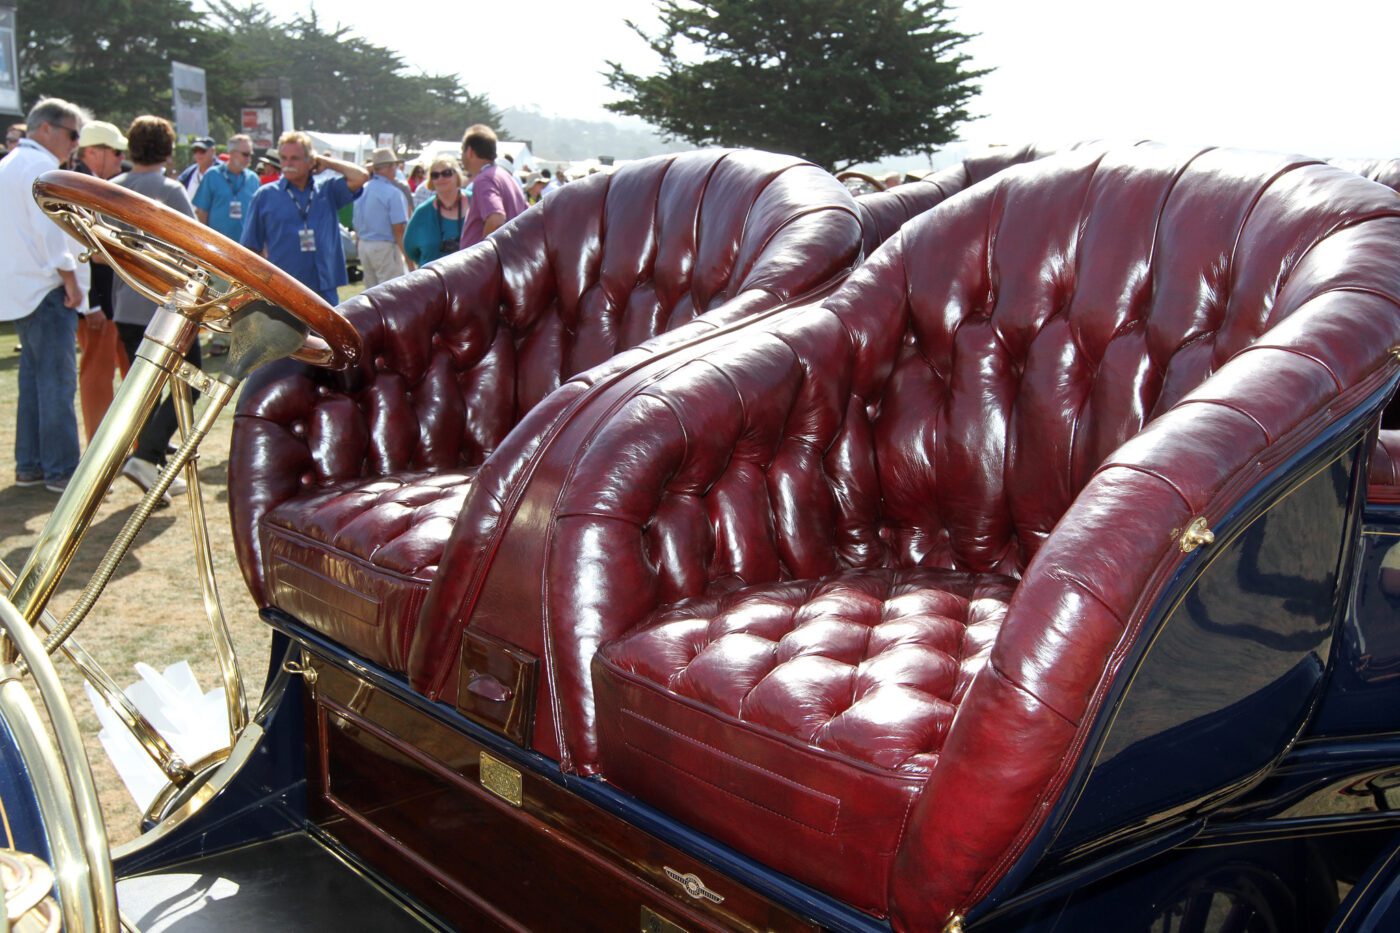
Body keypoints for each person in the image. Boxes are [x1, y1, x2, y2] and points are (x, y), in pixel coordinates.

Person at [0, 98, 96, 492]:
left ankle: (31, 465)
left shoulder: (7, 164)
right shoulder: (41, 167)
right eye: (73, 134)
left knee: (35, 380)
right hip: (46, 286)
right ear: (46, 129)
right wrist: (70, 280)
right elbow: (52, 232)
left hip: (20, 287)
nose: (76, 143)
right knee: (56, 381)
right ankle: (60, 471)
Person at [112, 115, 200, 501]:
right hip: (166, 307)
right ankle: (147, 457)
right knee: (192, 381)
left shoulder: (111, 188)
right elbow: (196, 247)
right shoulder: (171, 190)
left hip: (125, 304)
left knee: (145, 389)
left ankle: (150, 463)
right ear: (167, 148)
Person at [240, 131, 368, 305]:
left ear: (310, 161)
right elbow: (250, 247)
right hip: (284, 289)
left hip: (324, 288)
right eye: (284, 158)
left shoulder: (326, 190)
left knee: (327, 333)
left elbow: (361, 176)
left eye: (295, 158)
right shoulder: (265, 196)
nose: (288, 164)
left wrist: (326, 162)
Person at [73, 120, 132, 442]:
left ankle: (129, 442)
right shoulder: (80, 184)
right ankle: (100, 444)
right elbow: (80, 248)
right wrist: (91, 303)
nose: (120, 158)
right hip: (97, 299)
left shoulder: (92, 182)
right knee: (97, 375)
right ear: (93, 151)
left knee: (123, 369)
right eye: (115, 151)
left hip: (110, 297)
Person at [458, 124, 526, 250]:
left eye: (462, 150)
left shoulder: (484, 179)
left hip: (486, 266)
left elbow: (496, 219)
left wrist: (482, 255)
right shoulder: (506, 177)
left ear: (469, 152)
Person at [352, 147, 412, 286]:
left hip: (364, 245)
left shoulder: (363, 188)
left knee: (371, 293)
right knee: (390, 293)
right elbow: (399, 230)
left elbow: (355, 223)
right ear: (390, 167)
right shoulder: (393, 193)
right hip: (384, 247)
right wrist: (410, 262)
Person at [192, 133, 256, 241]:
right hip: (217, 247)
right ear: (232, 153)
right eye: (245, 154)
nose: (249, 159)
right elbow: (201, 212)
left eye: (250, 155)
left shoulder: (253, 179)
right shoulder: (212, 175)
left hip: (246, 248)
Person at [404, 158, 465, 268]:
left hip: (470, 277)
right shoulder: (422, 212)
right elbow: (410, 248)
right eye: (435, 175)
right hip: (433, 280)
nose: (441, 178)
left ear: (457, 175)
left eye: (447, 173)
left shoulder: (475, 202)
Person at [178, 136, 216, 202]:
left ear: (212, 151)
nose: (198, 154)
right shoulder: (187, 175)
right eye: (195, 151)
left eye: (202, 150)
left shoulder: (224, 173)